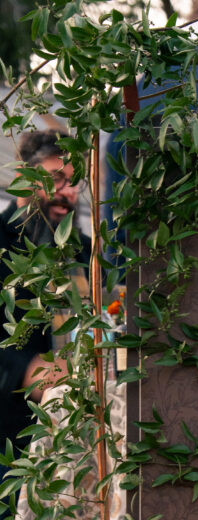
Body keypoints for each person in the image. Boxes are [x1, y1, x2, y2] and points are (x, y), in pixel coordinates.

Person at [0, 129, 91, 465]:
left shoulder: (83, 251)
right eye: (56, 178)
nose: (67, 192)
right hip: (10, 447)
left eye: (74, 181)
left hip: (75, 444)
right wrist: (28, 370)